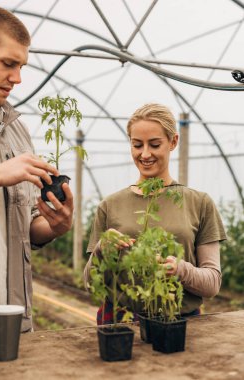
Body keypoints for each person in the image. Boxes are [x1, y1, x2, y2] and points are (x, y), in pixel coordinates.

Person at [84, 103, 227, 324]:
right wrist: (102, 250)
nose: (145, 154)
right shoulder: (110, 205)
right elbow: (90, 283)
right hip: (121, 324)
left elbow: (212, 283)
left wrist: (180, 270)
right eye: (137, 145)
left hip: (181, 323)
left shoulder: (199, 203)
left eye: (155, 144)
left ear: (173, 142)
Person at [0, 6, 74, 332]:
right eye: (8, 64)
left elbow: (25, 227)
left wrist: (54, 225)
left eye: (22, 66)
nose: (18, 78)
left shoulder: (15, 129)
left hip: (7, 314)